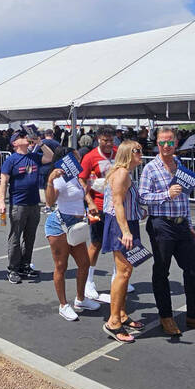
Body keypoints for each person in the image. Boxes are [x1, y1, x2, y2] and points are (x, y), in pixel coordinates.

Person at [139, 126, 195, 336]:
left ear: (176, 143)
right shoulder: (150, 168)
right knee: (162, 270)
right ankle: (166, 316)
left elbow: (185, 200)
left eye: (170, 142)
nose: (166, 146)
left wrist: (189, 225)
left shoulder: (181, 166)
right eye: (162, 142)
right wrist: (166, 194)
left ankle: (194, 315)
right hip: (161, 224)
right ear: (156, 143)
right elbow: (142, 197)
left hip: (180, 224)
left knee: (194, 267)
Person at [44, 155, 100, 320]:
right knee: (61, 266)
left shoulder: (76, 177)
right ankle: (63, 305)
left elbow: (83, 194)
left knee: (84, 263)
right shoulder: (60, 179)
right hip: (60, 225)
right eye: (75, 157)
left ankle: (80, 299)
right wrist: (50, 180)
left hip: (76, 225)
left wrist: (90, 204)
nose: (78, 160)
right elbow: (49, 201)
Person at [101, 140, 145, 343]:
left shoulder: (125, 173)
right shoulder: (122, 173)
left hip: (127, 223)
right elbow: (117, 204)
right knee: (123, 272)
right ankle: (113, 322)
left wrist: (138, 211)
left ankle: (121, 314)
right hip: (121, 226)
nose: (141, 153)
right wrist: (126, 231)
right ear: (128, 153)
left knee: (126, 271)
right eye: (137, 151)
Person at [0, 130, 47, 284]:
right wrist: (1, 201)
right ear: (15, 143)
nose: (24, 138)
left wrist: (40, 143)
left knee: (30, 237)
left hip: (34, 203)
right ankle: (13, 268)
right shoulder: (11, 160)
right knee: (15, 237)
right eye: (20, 137)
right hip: (18, 204)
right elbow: (4, 182)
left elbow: (50, 157)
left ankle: (25, 265)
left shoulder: (33, 156)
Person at [79, 126, 118, 300]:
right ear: (98, 140)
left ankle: (117, 278)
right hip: (97, 205)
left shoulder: (118, 153)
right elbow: (81, 179)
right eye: (105, 140)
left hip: (117, 205)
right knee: (96, 243)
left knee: (119, 243)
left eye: (111, 140)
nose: (109, 144)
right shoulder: (89, 157)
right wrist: (90, 201)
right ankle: (88, 280)